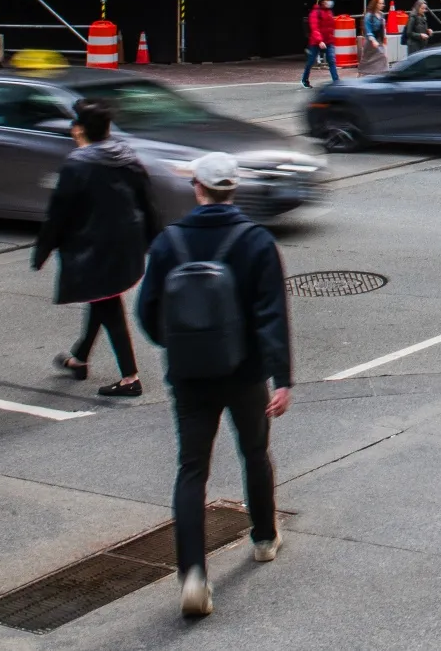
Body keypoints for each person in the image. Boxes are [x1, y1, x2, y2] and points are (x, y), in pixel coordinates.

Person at [137, 151, 293, 620]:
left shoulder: (170, 242)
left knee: (191, 470)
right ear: (233, 189)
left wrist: (179, 345)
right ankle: (264, 537)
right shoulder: (256, 241)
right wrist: (281, 378)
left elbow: (147, 311)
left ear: (198, 189)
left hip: (189, 375)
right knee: (254, 450)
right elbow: (272, 316)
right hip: (245, 373)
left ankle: (192, 576)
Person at [35, 97, 156, 398]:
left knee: (108, 305)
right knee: (102, 299)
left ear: (79, 130)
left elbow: (58, 214)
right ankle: (79, 359)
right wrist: (155, 238)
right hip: (127, 244)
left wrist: (42, 250)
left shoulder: (78, 164)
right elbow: (147, 201)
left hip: (95, 248)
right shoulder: (125, 155)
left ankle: (130, 378)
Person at [300, 0, 338, 87]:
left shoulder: (329, 12)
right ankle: (305, 79)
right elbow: (315, 28)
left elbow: (330, 28)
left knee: (332, 61)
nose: (330, 1)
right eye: (328, 0)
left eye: (330, 0)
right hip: (316, 42)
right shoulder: (315, 13)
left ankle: (336, 81)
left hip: (328, 41)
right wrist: (320, 41)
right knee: (311, 61)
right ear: (322, 1)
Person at [359, 0, 389, 75]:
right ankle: (362, 72)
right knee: (367, 58)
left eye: (383, 3)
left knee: (383, 56)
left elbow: (383, 28)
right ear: (375, 4)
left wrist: (384, 38)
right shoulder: (369, 16)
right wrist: (373, 40)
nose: (382, 5)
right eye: (380, 3)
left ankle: (382, 73)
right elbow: (368, 30)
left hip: (379, 39)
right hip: (370, 41)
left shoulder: (381, 15)